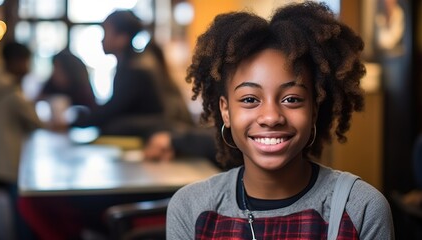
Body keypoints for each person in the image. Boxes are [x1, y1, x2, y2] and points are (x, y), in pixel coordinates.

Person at [166, 2, 395, 239]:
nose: (271, 117)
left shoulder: (360, 209)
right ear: (226, 111)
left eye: (292, 99)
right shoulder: (191, 209)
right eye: (250, 99)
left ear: (314, 109)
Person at [72, 10, 193, 139]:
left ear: (122, 38)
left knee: (112, 127)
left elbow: (112, 110)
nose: (102, 40)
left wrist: (74, 121)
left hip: (157, 132)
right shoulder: (130, 63)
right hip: (152, 128)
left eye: (106, 33)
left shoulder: (135, 69)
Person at [0, 41, 43, 239]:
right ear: (16, 62)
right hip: (8, 159)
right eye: (26, 62)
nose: (28, 67)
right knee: (21, 210)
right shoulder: (11, 90)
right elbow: (35, 121)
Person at [36, 50, 97, 130]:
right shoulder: (51, 84)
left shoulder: (81, 89)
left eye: (58, 69)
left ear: (68, 70)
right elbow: (36, 102)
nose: (54, 72)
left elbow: (92, 115)